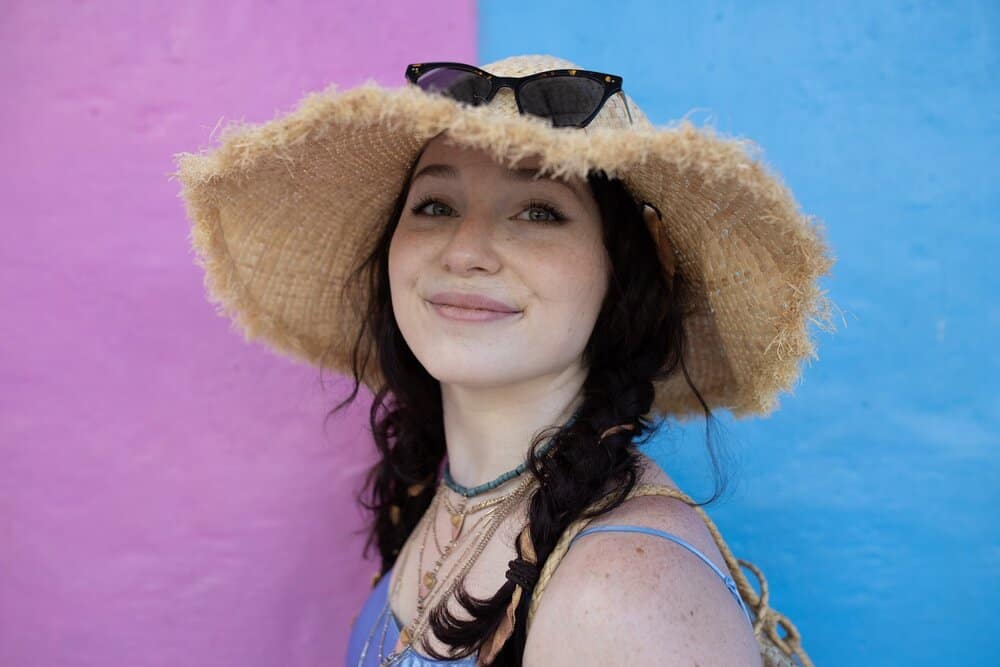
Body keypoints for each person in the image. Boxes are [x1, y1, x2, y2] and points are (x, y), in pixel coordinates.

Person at [174, 54, 834, 667]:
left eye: (539, 211)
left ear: (620, 271)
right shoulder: (443, 501)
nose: (466, 251)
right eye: (435, 205)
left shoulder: (616, 593)